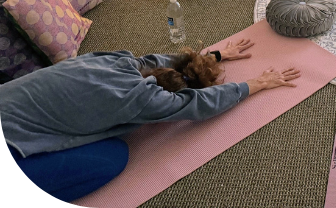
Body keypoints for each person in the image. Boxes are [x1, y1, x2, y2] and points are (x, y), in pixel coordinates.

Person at [0, 39, 301, 203]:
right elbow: (201, 104)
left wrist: (215, 55)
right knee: (113, 156)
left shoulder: (118, 59)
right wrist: (256, 83)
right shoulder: (146, 99)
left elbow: (154, 60)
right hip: (8, 148)